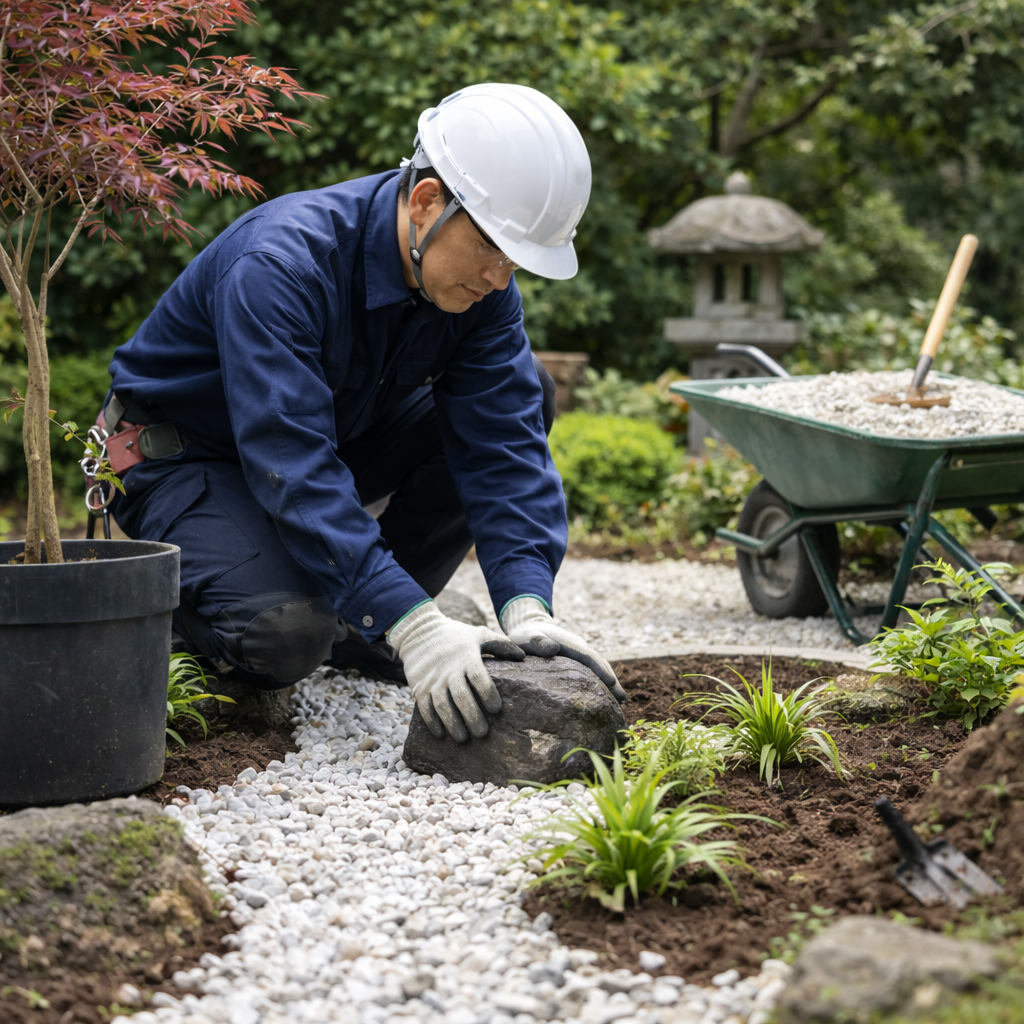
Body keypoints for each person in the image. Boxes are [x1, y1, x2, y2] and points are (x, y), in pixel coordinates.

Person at [102, 82, 625, 741]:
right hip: (183, 458)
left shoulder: (480, 291)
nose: (500, 278)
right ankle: (323, 611)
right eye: (494, 250)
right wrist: (414, 618)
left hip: (311, 446)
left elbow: (504, 444)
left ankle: (368, 625)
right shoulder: (281, 265)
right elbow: (292, 463)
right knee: (284, 634)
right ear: (429, 201)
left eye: (515, 263)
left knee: (529, 393)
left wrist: (528, 607)